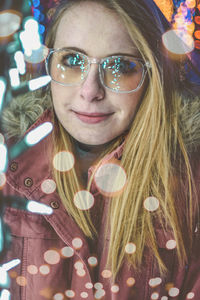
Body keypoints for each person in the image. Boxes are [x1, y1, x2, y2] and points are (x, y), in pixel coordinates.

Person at [1, 0, 200, 299]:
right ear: (49, 63)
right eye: (71, 61)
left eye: (120, 66)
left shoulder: (191, 186)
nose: (91, 90)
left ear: (153, 75)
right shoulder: (6, 172)